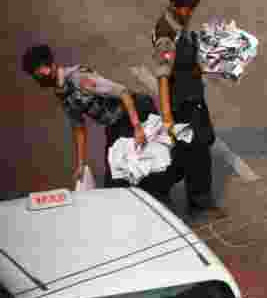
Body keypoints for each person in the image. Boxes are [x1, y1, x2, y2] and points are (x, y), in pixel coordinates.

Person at [21, 44, 177, 201]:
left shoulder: (80, 79)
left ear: (44, 70)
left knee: (142, 166)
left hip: (134, 112)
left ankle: (159, 203)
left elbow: (122, 92)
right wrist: (81, 163)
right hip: (114, 124)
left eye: (35, 75)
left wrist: (137, 127)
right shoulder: (61, 91)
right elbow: (78, 126)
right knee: (116, 176)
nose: (36, 81)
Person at [153, 0, 221, 219]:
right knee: (195, 147)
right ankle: (197, 201)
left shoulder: (179, 21)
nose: (188, 12)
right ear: (173, 4)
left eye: (192, 8)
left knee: (195, 145)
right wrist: (168, 117)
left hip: (193, 94)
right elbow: (162, 76)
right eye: (184, 8)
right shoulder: (166, 35)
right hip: (181, 101)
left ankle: (160, 187)